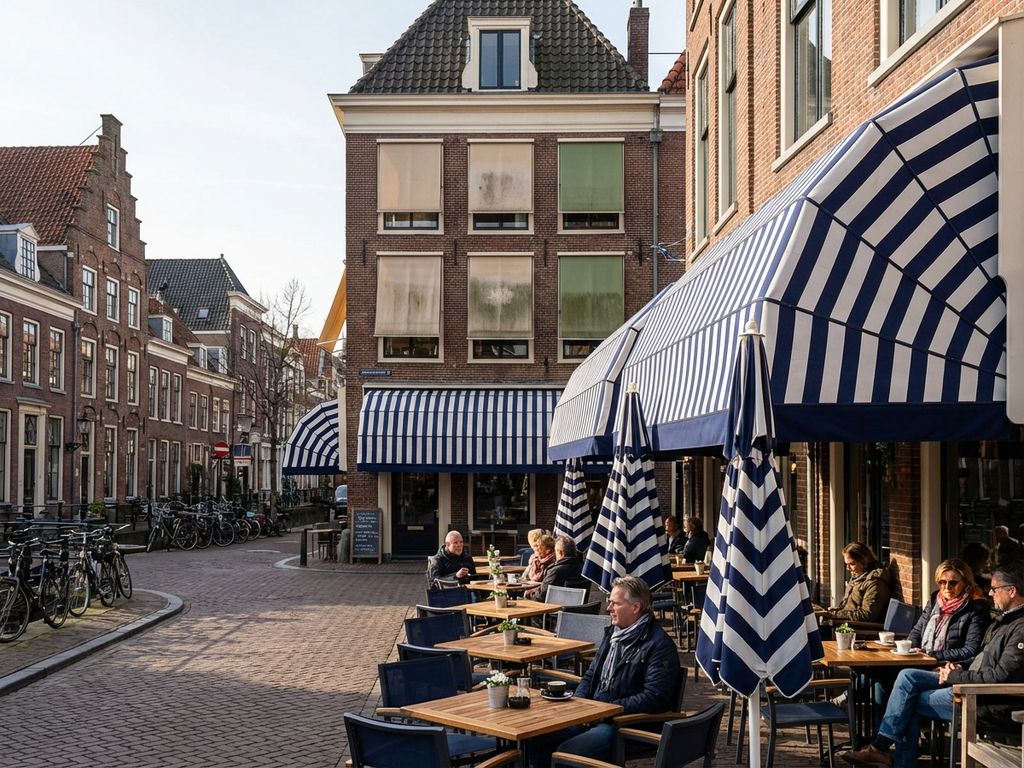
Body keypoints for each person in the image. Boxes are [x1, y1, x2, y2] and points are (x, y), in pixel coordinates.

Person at [841, 564, 1024, 768]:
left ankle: (886, 752)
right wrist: (956, 667)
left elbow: (999, 676)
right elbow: (980, 658)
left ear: (1012, 591)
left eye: (994, 589)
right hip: (966, 679)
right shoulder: (1002, 621)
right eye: (942, 582)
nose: (990, 593)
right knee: (906, 676)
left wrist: (954, 675)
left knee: (907, 700)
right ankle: (882, 750)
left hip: (981, 699)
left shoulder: (1017, 627)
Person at [528, 576, 680, 768]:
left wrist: (606, 710)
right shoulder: (614, 634)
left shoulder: (658, 645)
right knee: (535, 737)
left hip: (625, 726)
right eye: (609, 603)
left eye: (615, 604)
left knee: (568, 752)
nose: (608, 608)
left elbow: (654, 697)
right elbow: (590, 676)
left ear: (635, 607)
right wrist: (581, 706)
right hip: (593, 715)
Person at [828, 542, 891, 625]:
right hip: (848, 624)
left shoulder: (875, 583)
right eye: (846, 564)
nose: (848, 568)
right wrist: (838, 610)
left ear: (864, 561)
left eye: (852, 564)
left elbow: (867, 615)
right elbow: (852, 606)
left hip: (860, 628)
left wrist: (836, 614)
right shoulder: (857, 578)